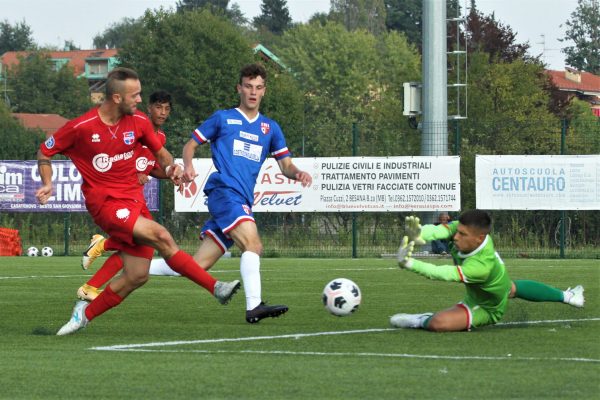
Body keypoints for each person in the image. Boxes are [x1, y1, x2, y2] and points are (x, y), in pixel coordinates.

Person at [36, 68, 240, 336]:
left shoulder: (140, 122)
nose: (140, 100)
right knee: (162, 236)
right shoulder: (81, 127)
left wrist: (171, 169)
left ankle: (84, 313)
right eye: (136, 95)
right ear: (117, 98)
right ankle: (216, 288)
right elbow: (45, 152)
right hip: (105, 204)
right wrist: (48, 183)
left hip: (134, 201)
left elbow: (162, 153)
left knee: (137, 275)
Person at [155, 63, 312, 323]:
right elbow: (190, 145)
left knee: (194, 268)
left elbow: (285, 165)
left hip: (240, 199)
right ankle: (254, 306)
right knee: (253, 245)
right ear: (239, 88)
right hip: (225, 193)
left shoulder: (270, 128)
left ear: (264, 91)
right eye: (248, 86)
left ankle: (133, 266)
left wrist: (298, 173)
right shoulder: (223, 118)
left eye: (258, 87)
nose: (253, 92)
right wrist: (190, 166)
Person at [391, 210, 585, 332]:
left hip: (487, 306)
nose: (455, 236)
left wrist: (409, 263)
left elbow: (441, 273)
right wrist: (419, 234)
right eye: (457, 230)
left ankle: (421, 319)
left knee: (438, 324)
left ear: (479, 238)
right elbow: (439, 231)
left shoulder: (480, 267)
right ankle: (567, 296)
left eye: (462, 234)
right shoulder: (469, 232)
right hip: (496, 282)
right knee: (509, 288)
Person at [77, 90, 180, 301]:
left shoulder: (160, 137)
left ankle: (91, 284)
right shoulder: (133, 126)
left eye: (167, 109)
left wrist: (172, 174)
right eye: (158, 107)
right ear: (149, 108)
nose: (162, 113)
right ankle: (101, 250)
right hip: (119, 194)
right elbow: (118, 155)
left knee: (138, 246)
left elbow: (151, 168)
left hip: (134, 195)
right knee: (144, 243)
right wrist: (134, 171)